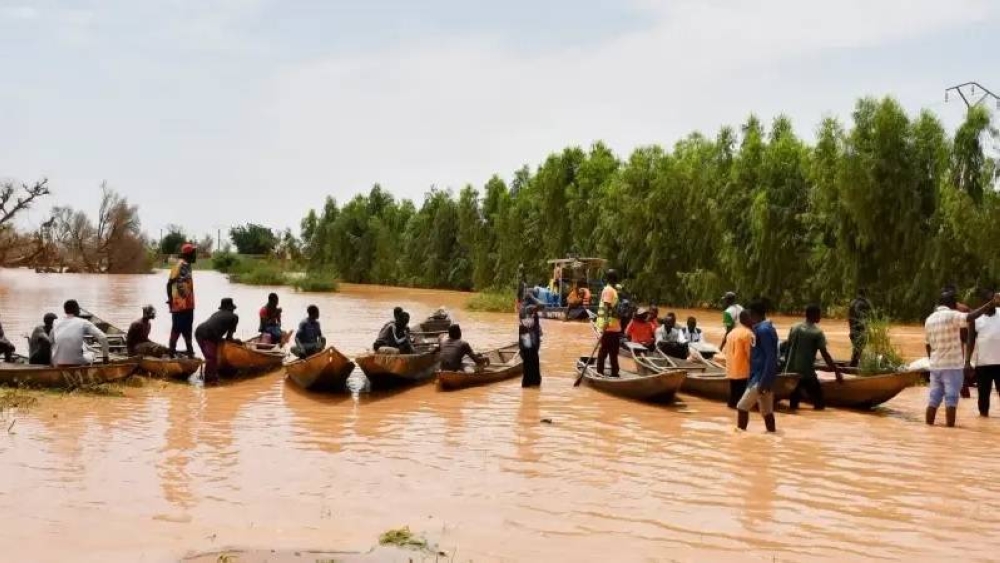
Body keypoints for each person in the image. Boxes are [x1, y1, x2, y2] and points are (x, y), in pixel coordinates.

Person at [924, 290, 997, 427]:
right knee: (951, 399)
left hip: (935, 367)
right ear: (952, 304)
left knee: (933, 400)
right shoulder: (952, 315)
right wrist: (989, 305)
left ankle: (929, 428)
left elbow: (927, 345)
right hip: (952, 366)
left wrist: (931, 361)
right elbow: (970, 317)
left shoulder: (929, 319)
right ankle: (950, 432)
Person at [786, 305, 843, 410]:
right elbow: (825, 354)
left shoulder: (794, 327)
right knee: (820, 404)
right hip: (806, 373)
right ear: (813, 315)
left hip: (791, 371)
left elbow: (787, 347)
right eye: (819, 314)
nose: (820, 317)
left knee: (793, 405)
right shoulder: (817, 332)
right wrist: (836, 371)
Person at [736, 300, 778, 433]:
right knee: (767, 411)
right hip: (761, 376)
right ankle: (772, 435)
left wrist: (763, 382)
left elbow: (770, 357)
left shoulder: (764, 330)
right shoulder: (762, 328)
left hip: (761, 378)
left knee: (742, 407)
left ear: (753, 314)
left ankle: (739, 437)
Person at [965, 287, 1000, 417]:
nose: (992, 303)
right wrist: (967, 362)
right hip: (983, 364)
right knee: (983, 398)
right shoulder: (976, 318)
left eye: (993, 300)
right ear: (983, 302)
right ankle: (983, 420)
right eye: (989, 301)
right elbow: (970, 341)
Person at [52, 299, 109, 366]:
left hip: (57, 362)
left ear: (65, 311)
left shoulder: (56, 322)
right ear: (78, 311)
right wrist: (105, 357)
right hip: (77, 362)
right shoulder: (84, 322)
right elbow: (103, 337)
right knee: (92, 354)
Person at [195, 298, 240, 380]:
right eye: (232, 309)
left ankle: (211, 375)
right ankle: (209, 381)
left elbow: (217, 332)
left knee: (210, 358)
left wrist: (221, 340)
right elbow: (229, 338)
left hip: (199, 332)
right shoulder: (234, 317)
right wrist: (236, 341)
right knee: (211, 359)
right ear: (231, 308)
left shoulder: (216, 313)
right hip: (209, 335)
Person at [166, 243, 197, 358]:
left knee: (188, 329)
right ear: (189, 254)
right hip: (179, 305)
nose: (195, 255)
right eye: (194, 253)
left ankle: (190, 353)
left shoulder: (188, 265)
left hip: (189, 305)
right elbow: (169, 284)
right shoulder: (179, 265)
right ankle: (171, 353)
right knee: (177, 328)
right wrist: (170, 300)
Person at [723, 311, 754, 409]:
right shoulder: (748, 334)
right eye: (750, 318)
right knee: (741, 402)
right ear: (745, 319)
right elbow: (750, 355)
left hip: (731, 369)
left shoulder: (731, 333)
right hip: (743, 370)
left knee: (733, 397)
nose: (752, 320)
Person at [595, 269, 622, 378]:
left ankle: (614, 372)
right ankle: (600, 372)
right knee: (605, 351)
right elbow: (606, 306)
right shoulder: (609, 290)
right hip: (609, 326)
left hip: (614, 327)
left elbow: (610, 307)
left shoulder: (612, 290)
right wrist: (606, 322)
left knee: (613, 352)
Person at [519, 303, 543, 387]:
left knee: (532, 361)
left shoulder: (529, 314)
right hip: (528, 343)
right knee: (530, 361)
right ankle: (531, 383)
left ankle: (532, 383)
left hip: (531, 343)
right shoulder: (525, 313)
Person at [848, 288, 872, 367]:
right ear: (865, 294)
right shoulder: (863, 303)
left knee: (857, 349)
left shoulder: (852, 303)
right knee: (858, 349)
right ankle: (853, 365)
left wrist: (851, 330)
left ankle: (854, 363)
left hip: (853, 330)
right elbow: (864, 317)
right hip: (860, 330)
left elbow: (850, 318)